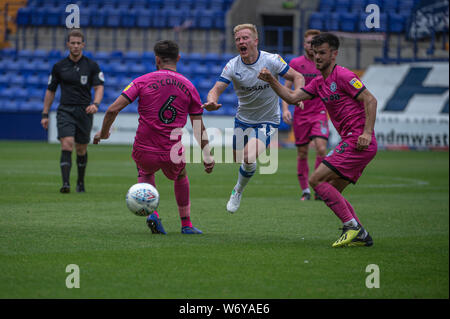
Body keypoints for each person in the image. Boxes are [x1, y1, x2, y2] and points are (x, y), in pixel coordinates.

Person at [258, 33, 377, 248]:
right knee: (332, 188)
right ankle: (361, 233)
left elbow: (370, 99)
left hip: (358, 141)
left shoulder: (343, 75)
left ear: (334, 54)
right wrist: (271, 80)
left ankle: (352, 227)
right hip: (353, 142)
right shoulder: (319, 83)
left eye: (322, 53)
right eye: (315, 53)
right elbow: (292, 97)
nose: (317, 57)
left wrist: (367, 132)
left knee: (316, 181)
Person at [93, 40, 214, 235]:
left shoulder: (142, 80)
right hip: (171, 150)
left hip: (144, 147)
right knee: (181, 175)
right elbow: (198, 125)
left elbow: (112, 109)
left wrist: (104, 132)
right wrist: (207, 154)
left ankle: (153, 214)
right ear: (179, 58)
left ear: (156, 59)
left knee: (146, 172)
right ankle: (186, 225)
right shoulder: (189, 86)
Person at [202, 23, 304, 213]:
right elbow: (216, 88)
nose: (241, 42)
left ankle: (237, 191)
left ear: (255, 41)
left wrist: (296, 96)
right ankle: (246, 170)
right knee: (240, 158)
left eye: (245, 38)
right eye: (238, 39)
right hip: (243, 120)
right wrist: (211, 101)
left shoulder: (271, 60)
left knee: (249, 156)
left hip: (268, 120)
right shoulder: (233, 65)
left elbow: (298, 76)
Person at [41, 29, 104, 193]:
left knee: (81, 148)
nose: (75, 46)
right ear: (68, 44)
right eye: (73, 43)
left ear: (83, 45)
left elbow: (99, 87)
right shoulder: (59, 66)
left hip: (84, 111)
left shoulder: (91, 66)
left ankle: (80, 183)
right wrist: (45, 114)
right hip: (65, 110)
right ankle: (66, 183)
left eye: (78, 43)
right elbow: (50, 91)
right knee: (67, 143)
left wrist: (95, 104)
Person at [281, 29, 329, 201]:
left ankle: (318, 187)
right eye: (309, 42)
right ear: (304, 44)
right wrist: (285, 109)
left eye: (314, 42)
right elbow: (286, 88)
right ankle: (305, 191)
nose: (311, 45)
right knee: (302, 153)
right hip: (301, 114)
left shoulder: (323, 63)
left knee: (322, 149)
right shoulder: (296, 63)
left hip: (320, 113)